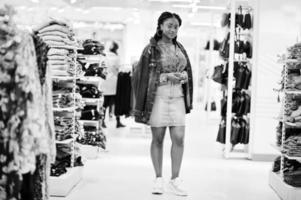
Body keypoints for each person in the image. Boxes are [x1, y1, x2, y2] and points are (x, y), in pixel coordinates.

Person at [132, 11, 193, 196]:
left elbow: (187, 71)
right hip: (157, 96)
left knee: (179, 138)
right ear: (160, 26)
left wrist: (184, 76)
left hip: (178, 97)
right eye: (169, 26)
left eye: (176, 26)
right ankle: (158, 178)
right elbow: (141, 77)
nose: (173, 29)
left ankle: (175, 180)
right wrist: (166, 76)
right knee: (158, 138)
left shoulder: (180, 48)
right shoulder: (150, 49)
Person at [102, 41, 126, 128]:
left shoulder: (105, 57)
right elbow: (118, 69)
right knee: (116, 103)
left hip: (105, 82)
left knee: (105, 104)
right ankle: (118, 122)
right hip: (114, 83)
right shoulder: (116, 58)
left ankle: (102, 122)